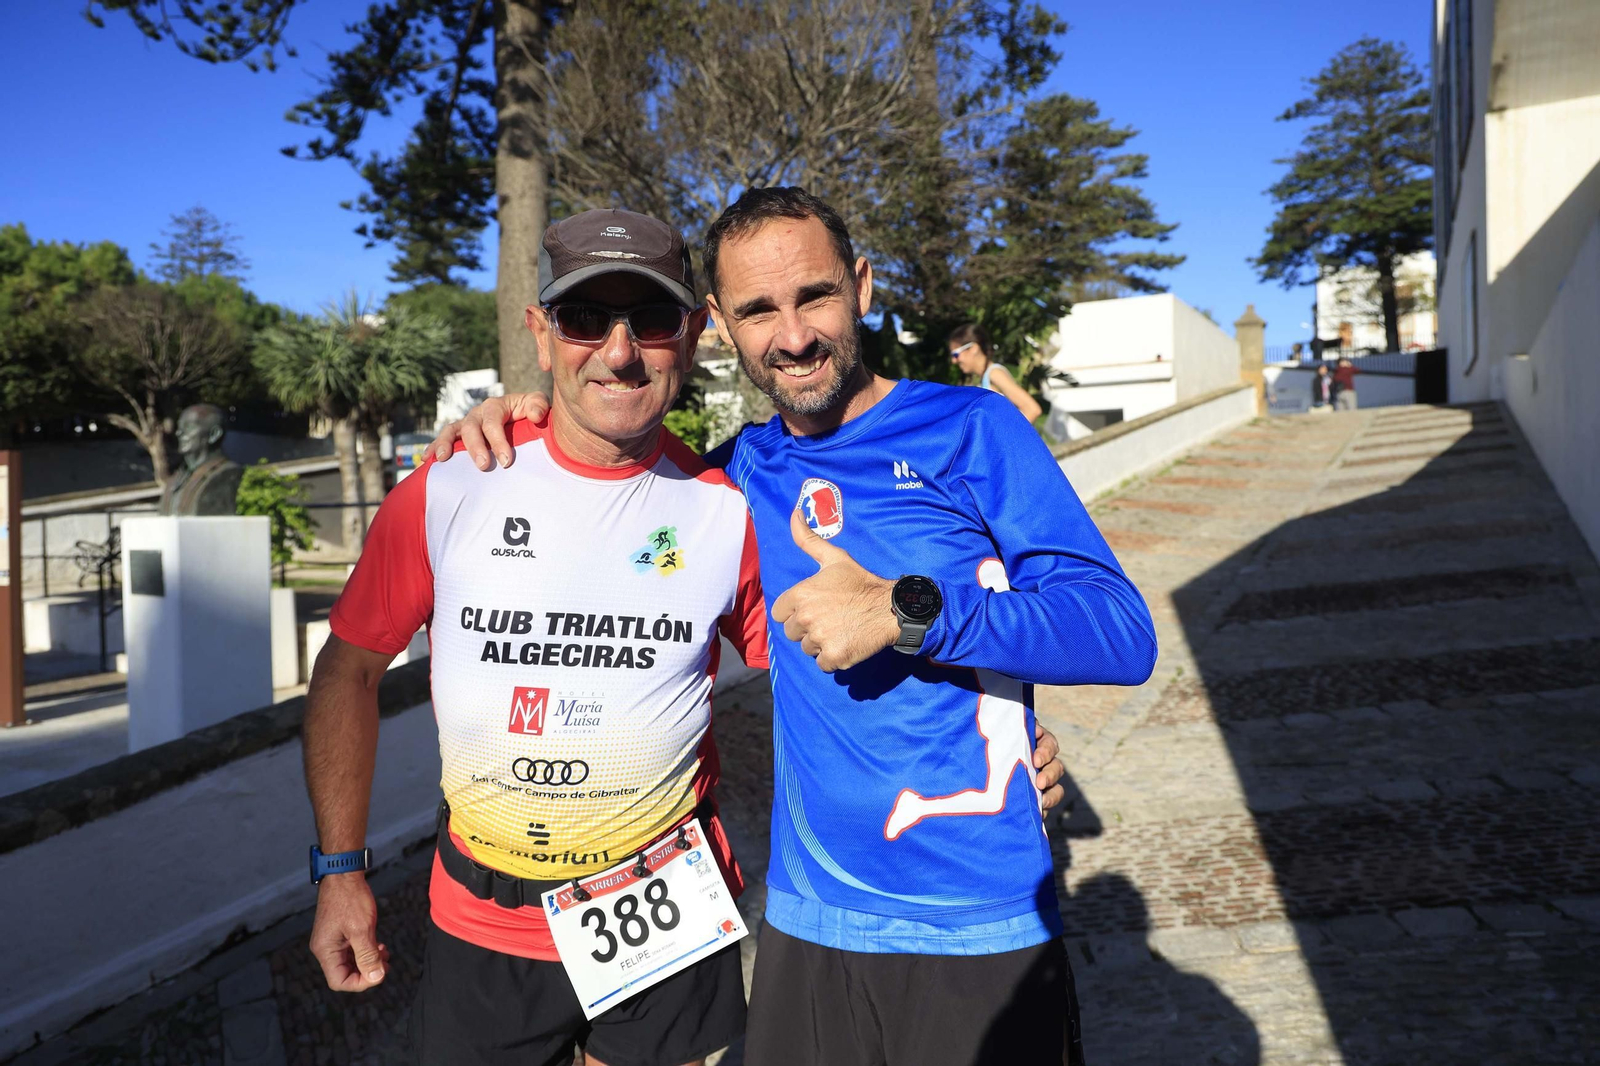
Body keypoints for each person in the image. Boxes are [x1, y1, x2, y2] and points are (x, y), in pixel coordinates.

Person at [303, 206, 1071, 1066]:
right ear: (542, 330)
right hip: (483, 915)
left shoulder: (731, 498)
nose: (620, 351)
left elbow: (829, 657)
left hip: (662, 912)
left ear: (695, 331)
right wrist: (339, 871)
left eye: (654, 320)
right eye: (586, 319)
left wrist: (998, 742)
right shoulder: (454, 483)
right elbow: (349, 671)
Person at [948, 323, 1044, 423]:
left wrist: (1004, 437)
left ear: (973, 348)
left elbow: (1032, 410)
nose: (953, 361)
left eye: (955, 354)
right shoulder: (987, 376)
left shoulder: (994, 374)